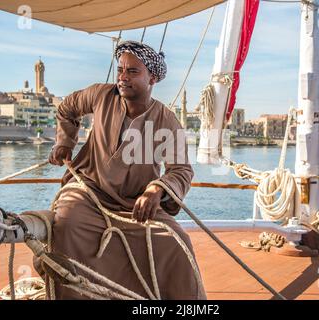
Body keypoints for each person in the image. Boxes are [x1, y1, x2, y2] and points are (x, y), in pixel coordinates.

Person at [43, 40, 206, 299]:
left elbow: (181, 170)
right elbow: (67, 109)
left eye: (132, 72)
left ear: (152, 78)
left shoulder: (167, 120)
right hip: (88, 192)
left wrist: (156, 190)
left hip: (136, 204)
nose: (122, 77)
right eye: (120, 70)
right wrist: (65, 142)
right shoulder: (100, 95)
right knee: (66, 224)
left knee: (177, 242)